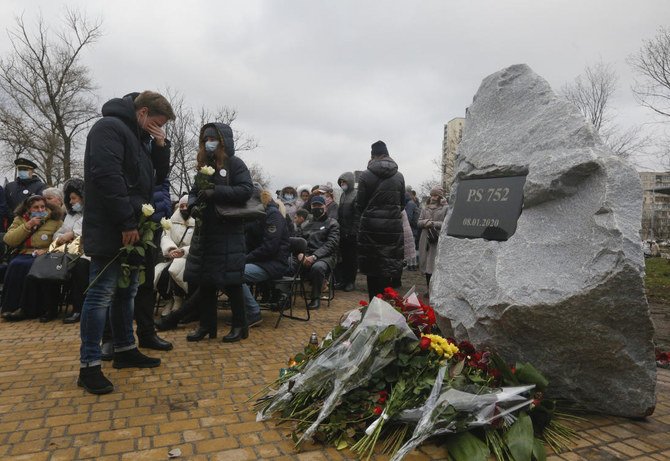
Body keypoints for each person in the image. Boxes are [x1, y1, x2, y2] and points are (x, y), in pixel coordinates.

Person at [78, 90, 175, 395]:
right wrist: (126, 222)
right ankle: (89, 365)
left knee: (127, 292)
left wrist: (160, 145)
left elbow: (156, 177)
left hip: (133, 226)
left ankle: (124, 349)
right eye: (156, 124)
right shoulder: (109, 128)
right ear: (142, 112)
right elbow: (108, 177)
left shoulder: (139, 138)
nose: (157, 129)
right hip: (113, 227)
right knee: (101, 294)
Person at [184, 122, 253, 343]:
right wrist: (194, 205)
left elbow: (245, 190)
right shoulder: (205, 165)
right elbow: (195, 192)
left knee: (232, 282)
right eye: (205, 140)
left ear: (222, 141)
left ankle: (240, 326)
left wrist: (216, 192)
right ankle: (206, 326)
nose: (209, 143)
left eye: (212, 139)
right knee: (205, 282)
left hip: (228, 233)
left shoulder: (235, 164)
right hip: (206, 233)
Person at [356, 140, 406, 300]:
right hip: (392, 229)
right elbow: (402, 205)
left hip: (371, 229)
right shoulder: (399, 176)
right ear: (387, 154)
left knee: (373, 270)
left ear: (372, 155)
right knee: (388, 269)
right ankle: (386, 311)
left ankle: (373, 308)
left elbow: (360, 205)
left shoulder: (365, 175)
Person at [1, 195, 63, 321]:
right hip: (25, 252)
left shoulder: (55, 220)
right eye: (36, 207)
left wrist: (47, 250)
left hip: (46, 254)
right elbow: (9, 239)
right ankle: (11, 307)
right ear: (28, 209)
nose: (40, 210)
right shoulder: (20, 219)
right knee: (15, 265)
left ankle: (28, 309)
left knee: (31, 267)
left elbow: (61, 241)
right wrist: (28, 225)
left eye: (42, 207)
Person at [241, 189, 290, 326]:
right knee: (225, 271)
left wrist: (245, 258)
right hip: (261, 262)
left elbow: (270, 247)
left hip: (274, 263)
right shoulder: (256, 216)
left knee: (234, 274)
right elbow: (248, 242)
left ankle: (253, 312)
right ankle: (243, 311)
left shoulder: (273, 215)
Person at [52, 178, 89, 324]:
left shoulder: (91, 212)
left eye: (74, 198)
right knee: (52, 264)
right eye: (69, 199)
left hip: (86, 253)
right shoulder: (70, 216)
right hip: (68, 251)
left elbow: (85, 231)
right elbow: (58, 233)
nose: (71, 201)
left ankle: (78, 309)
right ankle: (49, 308)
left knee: (79, 267)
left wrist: (72, 234)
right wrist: (62, 237)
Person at [155, 195, 194, 318]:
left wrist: (183, 251)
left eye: (186, 205)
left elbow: (198, 243)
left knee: (174, 270)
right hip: (172, 257)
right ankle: (168, 300)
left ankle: (178, 299)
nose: (184, 208)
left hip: (189, 258)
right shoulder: (171, 222)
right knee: (158, 274)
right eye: (181, 206)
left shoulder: (198, 222)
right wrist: (171, 249)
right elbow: (165, 236)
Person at [298, 195, 340, 309]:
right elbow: (298, 240)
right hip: (305, 255)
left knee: (318, 268)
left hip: (325, 257)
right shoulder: (305, 223)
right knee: (287, 263)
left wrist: (315, 256)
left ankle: (315, 298)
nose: (316, 208)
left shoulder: (333, 223)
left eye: (319, 205)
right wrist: (300, 254)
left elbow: (331, 244)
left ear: (325, 207)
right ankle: (282, 297)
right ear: (311, 207)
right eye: (314, 205)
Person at [418, 187, 447, 289]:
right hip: (425, 237)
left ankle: (435, 289)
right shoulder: (425, 208)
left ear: (440, 197)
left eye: (435, 195)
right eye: (432, 195)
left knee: (434, 263)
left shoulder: (445, 208)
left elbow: (446, 223)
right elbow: (419, 221)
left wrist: (433, 223)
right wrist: (425, 223)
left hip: (437, 237)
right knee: (425, 262)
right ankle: (428, 288)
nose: (433, 197)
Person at [335, 171, 358, 291]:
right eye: (341, 182)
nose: (342, 184)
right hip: (342, 231)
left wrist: (353, 231)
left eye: (344, 182)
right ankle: (343, 280)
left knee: (351, 258)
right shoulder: (343, 195)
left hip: (352, 233)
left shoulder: (356, 195)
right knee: (343, 257)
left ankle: (350, 281)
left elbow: (357, 215)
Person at [404, 191, 420, 270]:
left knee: (410, 248)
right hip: (414, 229)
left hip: (411, 229)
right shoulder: (413, 203)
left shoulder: (409, 204)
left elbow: (408, 217)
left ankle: (411, 265)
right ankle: (413, 265)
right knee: (412, 247)